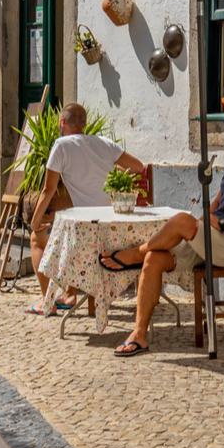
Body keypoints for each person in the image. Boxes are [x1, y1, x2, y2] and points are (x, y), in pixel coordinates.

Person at [103, 100, 224, 357]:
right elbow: (216, 204)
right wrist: (205, 222)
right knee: (155, 258)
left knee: (183, 221)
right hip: (215, 239)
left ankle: (135, 253)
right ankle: (139, 335)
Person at [26, 103, 147, 316]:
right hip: (112, 229)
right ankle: (69, 294)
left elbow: (48, 189)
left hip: (86, 235)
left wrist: (35, 222)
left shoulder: (61, 145)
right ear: (85, 124)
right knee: (70, 226)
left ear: (62, 123)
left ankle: (48, 302)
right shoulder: (105, 144)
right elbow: (138, 167)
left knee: (37, 238)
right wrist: (109, 170)